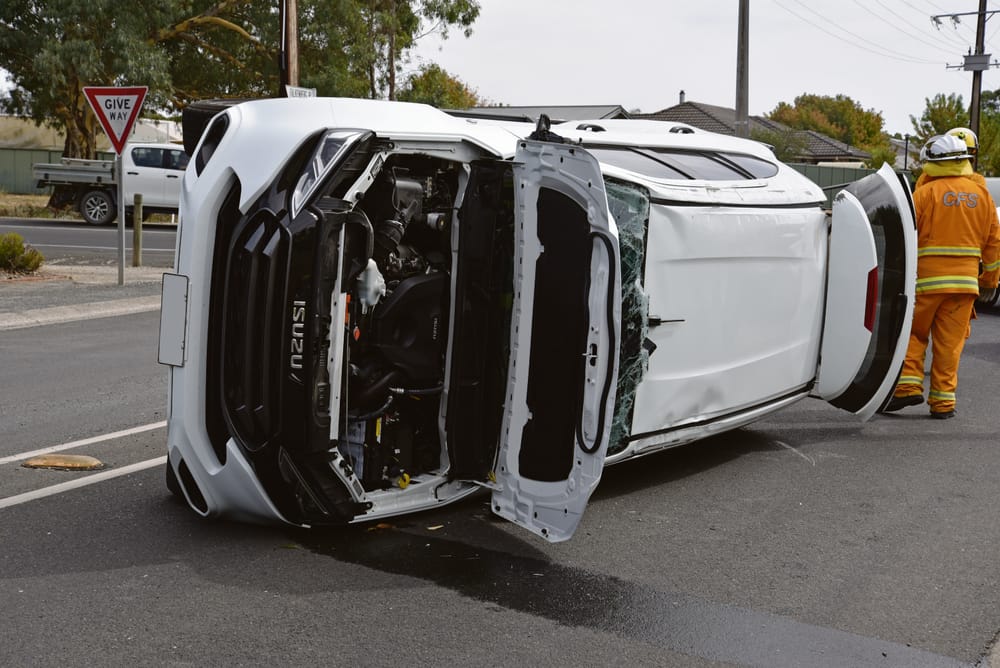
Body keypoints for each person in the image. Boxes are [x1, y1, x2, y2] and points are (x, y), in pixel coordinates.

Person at [884, 133, 1000, 419]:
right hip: (965, 286)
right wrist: (989, 282)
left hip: (926, 282)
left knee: (913, 332)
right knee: (950, 345)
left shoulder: (924, 194)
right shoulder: (982, 195)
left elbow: (904, 237)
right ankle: (943, 403)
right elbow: (993, 242)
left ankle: (908, 387)